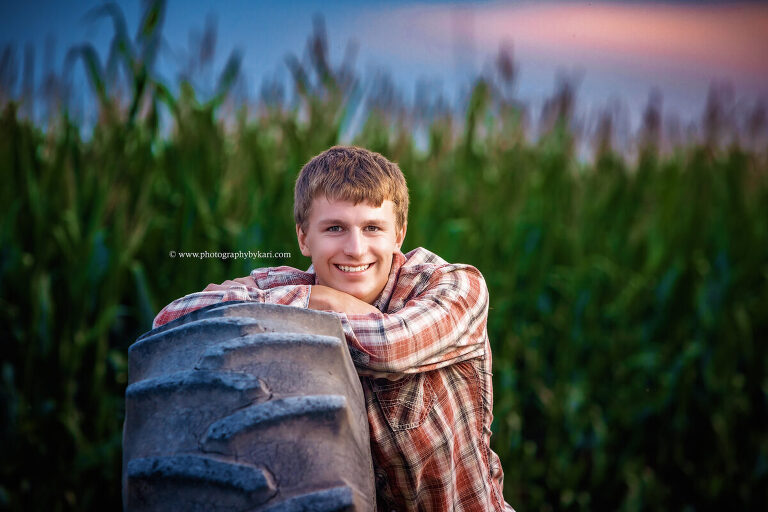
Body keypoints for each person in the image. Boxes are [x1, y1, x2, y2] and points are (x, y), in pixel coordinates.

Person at [153, 146, 513, 511]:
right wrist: (313, 300)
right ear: (304, 239)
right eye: (335, 228)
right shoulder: (289, 287)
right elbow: (171, 320)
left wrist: (316, 304)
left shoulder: (453, 286)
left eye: (373, 228)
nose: (355, 249)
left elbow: (389, 347)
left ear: (399, 235)